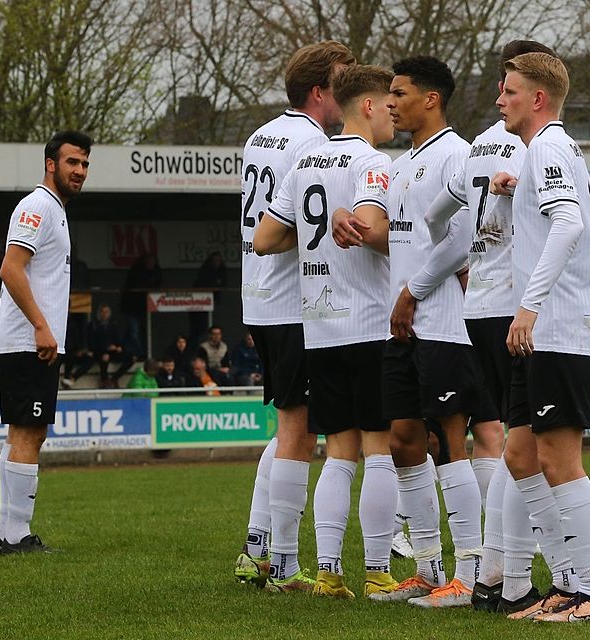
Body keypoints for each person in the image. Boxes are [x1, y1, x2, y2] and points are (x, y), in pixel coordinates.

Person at [332, 55, 482, 607]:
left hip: (442, 322)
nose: (390, 103)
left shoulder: (457, 155)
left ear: (431, 99)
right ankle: (427, 567)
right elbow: (398, 239)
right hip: (401, 325)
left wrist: (412, 291)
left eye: (399, 93)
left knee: (452, 441)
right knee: (402, 441)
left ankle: (470, 573)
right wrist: (347, 221)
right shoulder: (400, 165)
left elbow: (462, 238)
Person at [421, 40, 558, 613]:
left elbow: (435, 215)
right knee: (527, 446)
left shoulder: (476, 144)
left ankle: (494, 575)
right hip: (518, 309)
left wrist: (463, 261)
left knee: (510, 441)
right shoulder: (535, 146)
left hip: (476, 306)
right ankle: (521, 575)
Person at [255, 64, 400, 600]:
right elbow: (371, 229)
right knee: (378, 449)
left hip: (319, 326)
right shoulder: (373, 163)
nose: (393, 115)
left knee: (338, 450)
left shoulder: (305, 161)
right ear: (367, 105)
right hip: (369, 322)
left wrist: (312, 233)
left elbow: (264, 239)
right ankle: (378, 571)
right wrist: (412, 241)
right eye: (388, 106)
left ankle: (328, 572)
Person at [489, 52, 590, 622]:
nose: (501, 100)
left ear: (538, 99)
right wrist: (516, 191)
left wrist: (529, 306)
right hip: (545, 331)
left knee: (560, 460)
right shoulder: (545, 151)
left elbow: (568, 224)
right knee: (521, 455)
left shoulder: (547, 147)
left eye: (510, 91)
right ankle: (566, 580)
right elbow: (557, 215)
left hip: (558, 327)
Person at [233, 40, 356, 591]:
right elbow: (292, 228)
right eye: (342, 82)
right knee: (299, 433)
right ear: (319, 91)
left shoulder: (260, 136)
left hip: (259, 297)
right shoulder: (314, 144)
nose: (348, 94)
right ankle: (283, 564)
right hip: (291, 301)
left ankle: (257, 549)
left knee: (289, 427)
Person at [0, 130, 92, 555]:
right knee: (30, 433)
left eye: (84, 164)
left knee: (23, 432)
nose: (80, 171)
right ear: (51, 164)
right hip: (28, 341)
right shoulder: (38, 206)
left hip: (32, 341)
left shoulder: (54, 210)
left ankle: (7, 533)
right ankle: (15, 536)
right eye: (72, 162)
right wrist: (40, 326)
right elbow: (10, 269)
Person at [120, 252, 162, 357]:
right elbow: (135, 286)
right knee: (134, 332)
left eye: (153, 261)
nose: (151, 264)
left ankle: (131, 353)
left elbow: (159, 283)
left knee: (139, 331)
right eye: (149, 261)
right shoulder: (136, 271)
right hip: (131, 306)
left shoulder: (156, 270)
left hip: (144, 307)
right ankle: (139, 354)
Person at [86, 303, 136, 389]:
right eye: (102, 312)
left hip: (113, 351)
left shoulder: (113, 325)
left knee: (131, 358)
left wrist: (118, 347)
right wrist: (106, 348)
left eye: (106, 312)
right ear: (99, 313)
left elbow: (118, 339)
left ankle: (114, 378)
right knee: (104, 358)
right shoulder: (93, 325)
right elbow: (93, 342)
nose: (104, 314)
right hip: (100, 352)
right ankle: (104, 380)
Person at [190, 251, 227, 344]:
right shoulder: (205, 270)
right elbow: (202, 283)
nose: (217, 263)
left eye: (219, 261)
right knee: (198, 326)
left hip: (214, 300)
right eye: (215, 261)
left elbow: (223, 284)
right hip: (199, 301)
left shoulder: (222, 271)